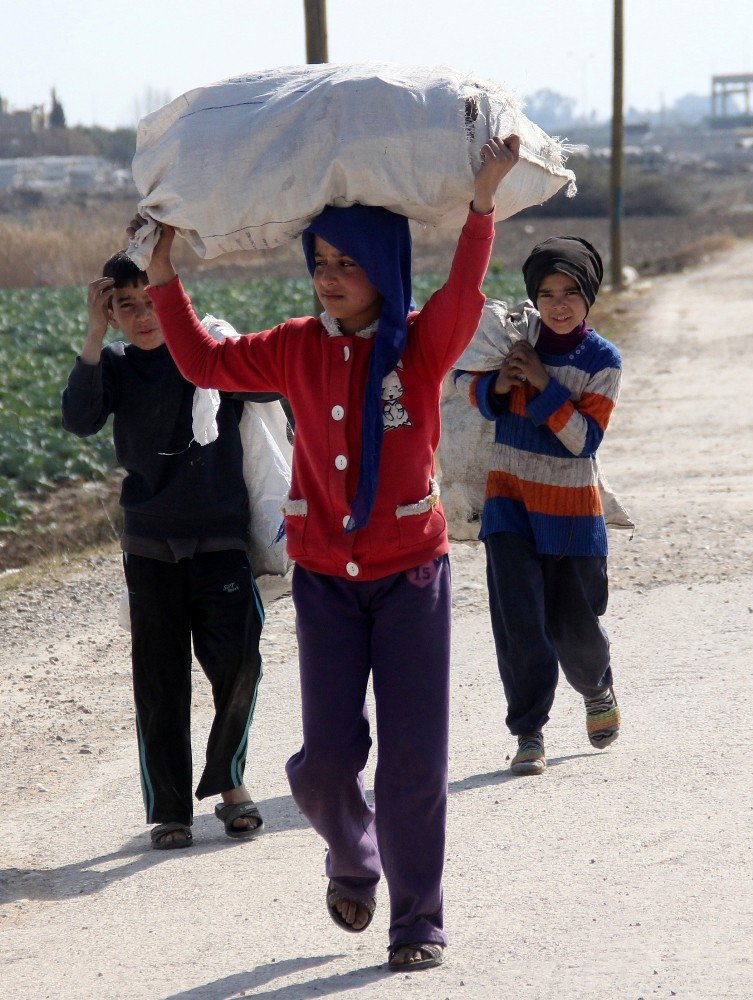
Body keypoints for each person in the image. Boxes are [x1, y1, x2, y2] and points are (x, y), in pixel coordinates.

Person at [132, 133, 520, 970]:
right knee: (322, 765)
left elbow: (462, 291)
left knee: (414, 763)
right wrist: (164, 278)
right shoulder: (294, 345)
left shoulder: (419, 345)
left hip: (410, 576)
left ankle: (416, 921)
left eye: (348, 261)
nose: (331, 276)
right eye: (321, 261)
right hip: (325, 584)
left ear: (381, 265)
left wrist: (481, 203)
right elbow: (201, 359)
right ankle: (352, 856)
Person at [61, 252, 267, 849]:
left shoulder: (208, 357)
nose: (144, 314)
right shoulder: (119, 367)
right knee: (159, 681)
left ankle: (230, 786)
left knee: (239, 664)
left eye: (153, 299)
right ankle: (172, 810)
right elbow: (78, 419)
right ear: (112, 313)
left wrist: (205, 338)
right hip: (150, 545)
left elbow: (271, 385)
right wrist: (94, 337)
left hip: (221, 539)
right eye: (126, 305)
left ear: (176, 298)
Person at [453, 236, 622, 777]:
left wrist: (544, 381)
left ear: (588, 295)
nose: (558, 303)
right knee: (518, 623)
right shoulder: (513, 342)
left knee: (575, 628)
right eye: (546, 292)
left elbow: (582, 439)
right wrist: (498, 385)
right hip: (510, 507)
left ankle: (597, 688)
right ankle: (528, 732)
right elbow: (462, 384)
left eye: (570, 291)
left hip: (572, 517)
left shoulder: (602, 361)